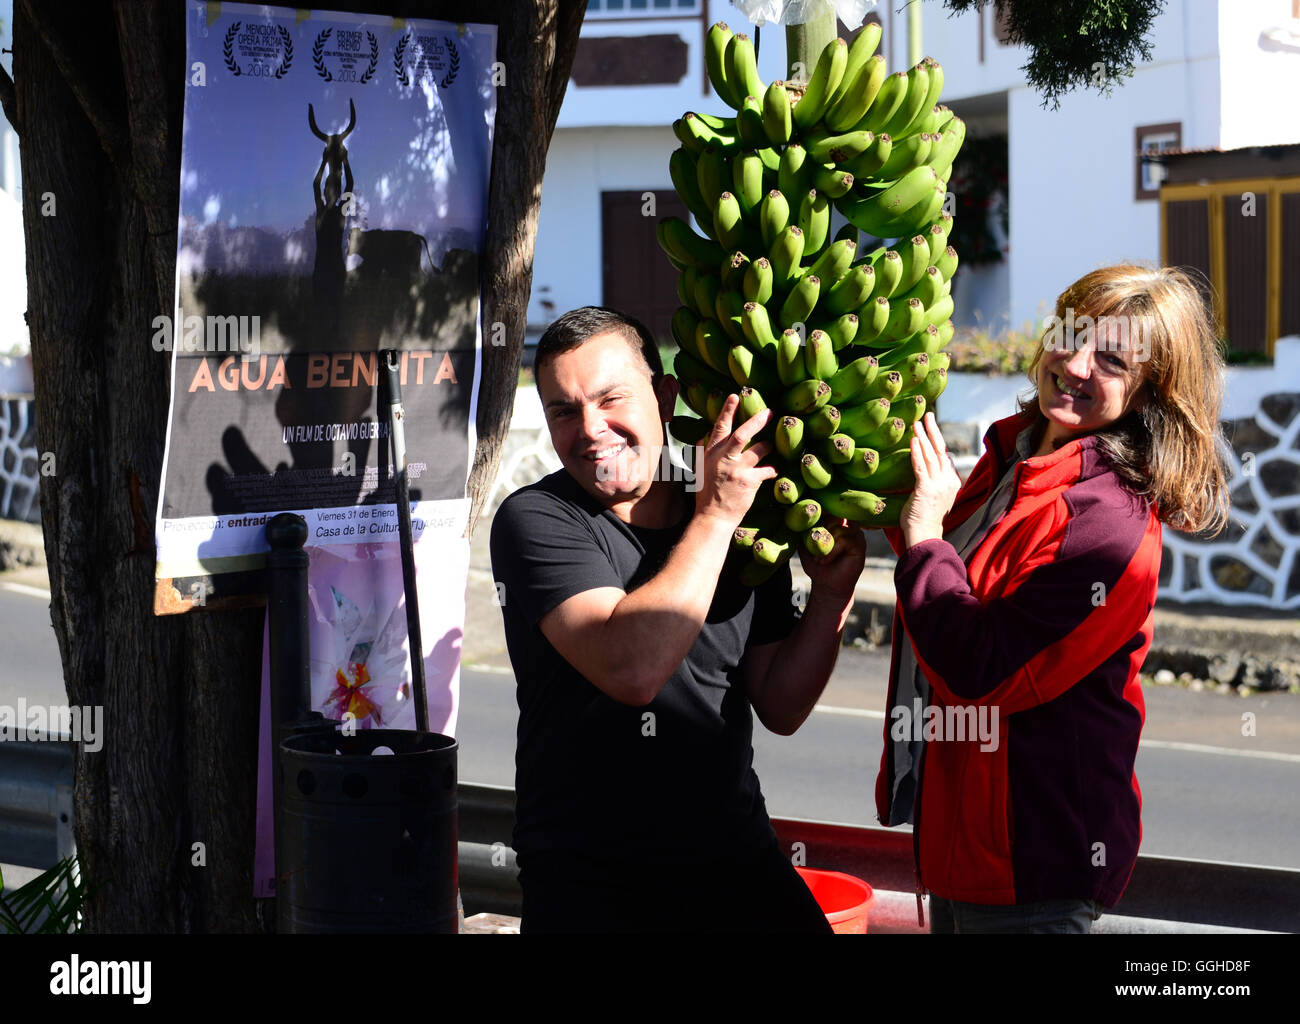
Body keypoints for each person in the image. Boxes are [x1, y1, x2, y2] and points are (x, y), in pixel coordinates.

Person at [875, 265, 1230, 933]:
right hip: (958, 852)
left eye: (1113, 359)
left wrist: (922, 535)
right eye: (1071, 336)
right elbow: (963, 581)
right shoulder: (1017, 455)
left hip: (1032, 871)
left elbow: (983, 670)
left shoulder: (1110, 526)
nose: (1076, 364)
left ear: (1152, 391)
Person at [490, 306, 866, 933]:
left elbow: (780, 704)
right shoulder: (538, 519)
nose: (590, 429)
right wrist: (715, 520)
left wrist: (830, 600)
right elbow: (631, 667)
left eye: (612, 399)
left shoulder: (735, 504)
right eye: (563, 410)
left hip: (736, 858)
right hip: (594, 884)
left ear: (663, 396)